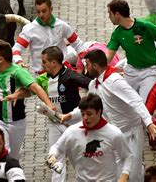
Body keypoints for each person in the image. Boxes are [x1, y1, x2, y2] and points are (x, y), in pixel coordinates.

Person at [62, 49, 156, 182]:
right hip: (113, 135)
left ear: (95, 66)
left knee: (133, 175)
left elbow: (136, 101)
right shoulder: (93, 85)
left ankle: (139, 171)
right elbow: (88, 107)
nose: (85, 69)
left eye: (87, 65)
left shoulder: (115, 81)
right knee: (119, 173)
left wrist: (149, 123)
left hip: (132, 133)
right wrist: (70, 115)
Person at [5, 46, 91, 181]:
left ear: (54, 63)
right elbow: (30, 90)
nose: (42, 65)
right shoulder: (43, 78)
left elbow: (91, 84)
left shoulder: (70, 76)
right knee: (55, 158)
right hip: (54, 123)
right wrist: (16, 95)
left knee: (81, 158)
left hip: (74, 124)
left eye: (44, 62)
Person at [105, 0, 156, 100]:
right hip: (131, 73)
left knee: (145, 105)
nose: (109, 16)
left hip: (150, 72)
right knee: (128, 104)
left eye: (110, 13)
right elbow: (108, 57)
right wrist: (96, 65)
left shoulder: (144, 25)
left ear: (117, 14)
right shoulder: (117, 34)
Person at [48, 93, 132, 181]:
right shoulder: (72, 131)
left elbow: (127, 157)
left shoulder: (114, 133)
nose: (85, 118)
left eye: (89, 114)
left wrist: (123, 177)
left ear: (99, 112)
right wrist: (53, 155)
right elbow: (57, 147)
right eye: (82, 114)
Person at [12, 0, 84, 75]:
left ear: (51, 9)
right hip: (40, 75)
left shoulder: (62, 25)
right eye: (38, 12)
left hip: (62, 73)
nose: (41, 15)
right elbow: (16, 50)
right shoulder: (29, 29)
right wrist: (19, 61)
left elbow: (77, 44)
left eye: (44, 11)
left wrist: (83, 62)